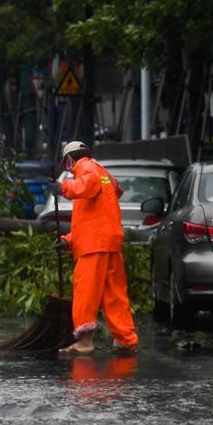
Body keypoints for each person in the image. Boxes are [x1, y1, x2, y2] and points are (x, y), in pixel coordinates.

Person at [51, 141, 138, 355]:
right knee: (115, 296)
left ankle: (84, 343)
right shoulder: (103, 173)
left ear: (70, 159)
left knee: (86, 294)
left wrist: (63, 187)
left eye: (66, 165)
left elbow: (87, 186)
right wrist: (68, 241)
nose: (68, 170)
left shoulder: (85, 167)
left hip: (93, 246)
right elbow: (96, 215)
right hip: (109, 242)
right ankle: (126, 340)